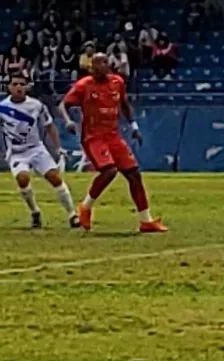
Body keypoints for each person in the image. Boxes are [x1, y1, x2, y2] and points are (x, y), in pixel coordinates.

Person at [60, 53, 166, 233]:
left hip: (113, 135)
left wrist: (133, 126)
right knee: (109, 171)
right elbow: (63, 104)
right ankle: (85, 207)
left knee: (134, 174)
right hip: (93, 137)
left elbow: (124, 104)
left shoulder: (117, 82)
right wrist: (68, 121)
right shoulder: (83, 85)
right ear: (92, 67)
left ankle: (146, 220)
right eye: (99, 63)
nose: (103, 66)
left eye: (105, 62)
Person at [0, 71, 80, 229]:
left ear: (27, 87)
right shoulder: (0, 108)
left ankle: (72, 215)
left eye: (22, 84)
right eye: (15, 84)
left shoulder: (37, 105)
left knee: (54, 178)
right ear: (9, 87)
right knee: (23, 178)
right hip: (16, 153)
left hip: (36, 149)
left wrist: (58, 147)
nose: (19, 87)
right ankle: (35, 212)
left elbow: (49, 126)